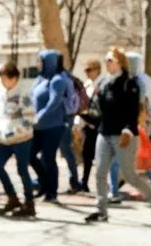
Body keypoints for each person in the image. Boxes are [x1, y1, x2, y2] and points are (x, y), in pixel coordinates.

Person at [87, 47, 151, 223]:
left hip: (124, 135)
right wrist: (96, 99)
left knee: (130, 176)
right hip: (104, 133)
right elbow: (100, 110)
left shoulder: (130, 83)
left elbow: (133, 110)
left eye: (110, 60)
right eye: (106, 59)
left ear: (120, 63)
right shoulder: (104, 82)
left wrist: (128, 130)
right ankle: (101, 211)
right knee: (100, 172)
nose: (106, 63)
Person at [108, 51, 151, 200]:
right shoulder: (146, 78)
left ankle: (113, 191)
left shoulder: (134, 81)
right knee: (134, 157)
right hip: (143, 123)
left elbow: (140, 104)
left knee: (119, 158)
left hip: (132, 125)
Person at [0, 61, 37, 217]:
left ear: (13, 78)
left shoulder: (23, 93)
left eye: (3, 78)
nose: (2, 82)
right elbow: (2, 116)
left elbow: (29, 118)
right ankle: (12, 198)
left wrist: (15, 132)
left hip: (22, 139)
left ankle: (29, 203)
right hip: (6, 139)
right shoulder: (5, 93)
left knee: (22, 170)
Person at [29, 50, 68, 203]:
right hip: (37, 126)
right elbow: (31, 98)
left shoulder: (58, 80)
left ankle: (52, 191)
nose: (38, 64)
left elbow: (54, 102)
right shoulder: (39, 79)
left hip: (53, 126)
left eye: (41, 61)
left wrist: (39, 116)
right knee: (30, 156)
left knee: (48, 158)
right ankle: (44, 183)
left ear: (49, 62)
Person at [56, 57, 85, 194]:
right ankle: (74, 180)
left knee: (64, 150)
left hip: (62, 118)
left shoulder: (61, 79)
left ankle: (74, 180)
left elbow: (61, 100)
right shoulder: (66, 76)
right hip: (65, 118)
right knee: (64, 151)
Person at [78, 57, 103, 192]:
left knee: (101, 156)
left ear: (97, 70)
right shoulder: (86, 85)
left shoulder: (103, 84)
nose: (87, 73)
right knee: (87, 155)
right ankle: (84, 182)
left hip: (100, 124)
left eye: (90, 70)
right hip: (88, 123)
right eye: (85, 70)